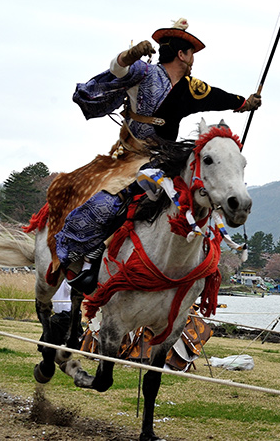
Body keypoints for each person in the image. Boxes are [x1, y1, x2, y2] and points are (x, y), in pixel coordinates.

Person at [57, 18, 261, 293]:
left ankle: (195, 269)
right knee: (108, 203)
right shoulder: (143, 72)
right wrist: (131, 54)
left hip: (166, 160)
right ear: (181, 54)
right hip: (131, 156)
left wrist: (244, 103)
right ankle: (89, 257)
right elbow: (117, 69)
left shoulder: (190, 87)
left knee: (198, 194)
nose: (193, 60)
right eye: (191, 54)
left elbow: (216, 96)